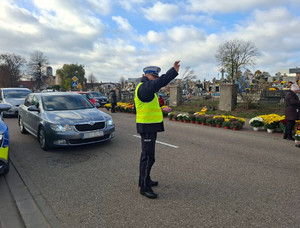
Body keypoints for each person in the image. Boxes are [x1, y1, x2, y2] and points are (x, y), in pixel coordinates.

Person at [135, 61, 180, 199]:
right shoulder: (144, 88)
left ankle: (144, 179)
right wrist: (173, 71)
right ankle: (144, 187)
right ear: (147, 75)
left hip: (150, 125)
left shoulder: (147, 89)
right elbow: (160, 82)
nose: (155, 79)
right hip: (147, 126)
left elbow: (146, 107)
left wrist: (161, 109)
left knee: (147, 156)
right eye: (154, 77)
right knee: (148, 157)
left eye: (156, 77)